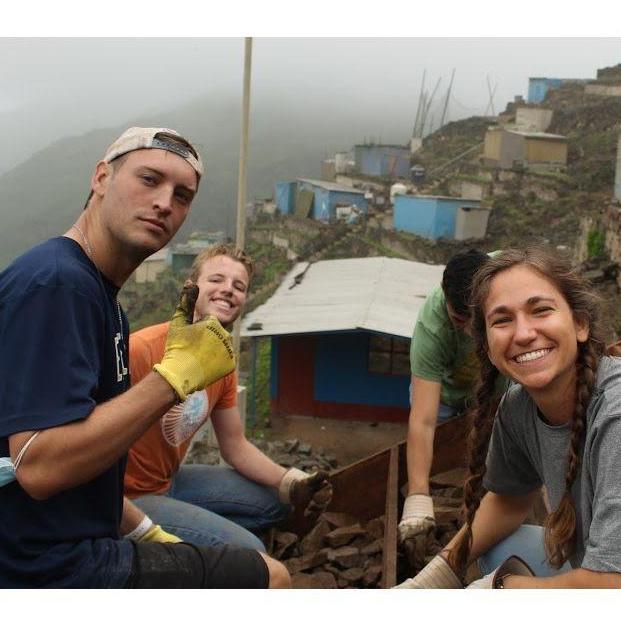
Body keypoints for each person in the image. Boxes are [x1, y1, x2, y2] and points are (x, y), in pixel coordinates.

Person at [0, 126, 289, 588]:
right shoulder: (57, 283)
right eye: (149, 179)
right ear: (100, 178)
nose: (164, 203)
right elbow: (37, 465)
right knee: (268, 577)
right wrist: (172, 378)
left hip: (89, 536)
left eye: (182, 195)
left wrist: (145, 531)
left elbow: (94, 469)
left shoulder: (105, 302)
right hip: (48, 566)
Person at [396, 247, 621, 588]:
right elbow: (508, 499)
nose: (523, 333)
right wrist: (438, 574)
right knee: (496, 546)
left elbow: (610, 587)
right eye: (502, 320)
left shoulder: (614, 415)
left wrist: (503, 587)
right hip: (597, 566)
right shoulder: (518, 406)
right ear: (484, 343)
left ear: (580, 324)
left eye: (541, 311)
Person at [124, 244, 332, 550]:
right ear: (192, 289)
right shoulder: (141, 350)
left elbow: (235, 446)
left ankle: (197, 538)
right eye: (216, 280)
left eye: (239, 286)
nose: (228, 290)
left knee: (281, 502)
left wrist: (291, 481)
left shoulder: (222, 363)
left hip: (171, 481)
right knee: (252, 553)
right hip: (130, 500)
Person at [399, 249, 495, 544]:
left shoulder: (509, 278)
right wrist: (417, 498)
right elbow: (424, 420)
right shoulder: (432, 327)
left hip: (491, 387)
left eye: (477, 322)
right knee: (432, 442)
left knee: (495, 437)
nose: (469, 332)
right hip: (445, 393)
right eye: (459, 320)